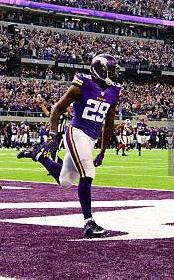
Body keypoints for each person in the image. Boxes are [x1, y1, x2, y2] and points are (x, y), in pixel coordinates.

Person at [18, 54, 122, 238]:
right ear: (100, 70)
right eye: (110, 70)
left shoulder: (114, 92)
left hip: (90, 139)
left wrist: (103, 151)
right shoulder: (81, 84)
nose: (113, 74)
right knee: (88, 173)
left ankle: (39, 155)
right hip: (76, 132)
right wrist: (52, 135)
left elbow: (109, 124)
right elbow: (57, 108)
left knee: (65, 181)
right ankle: (88, 223)